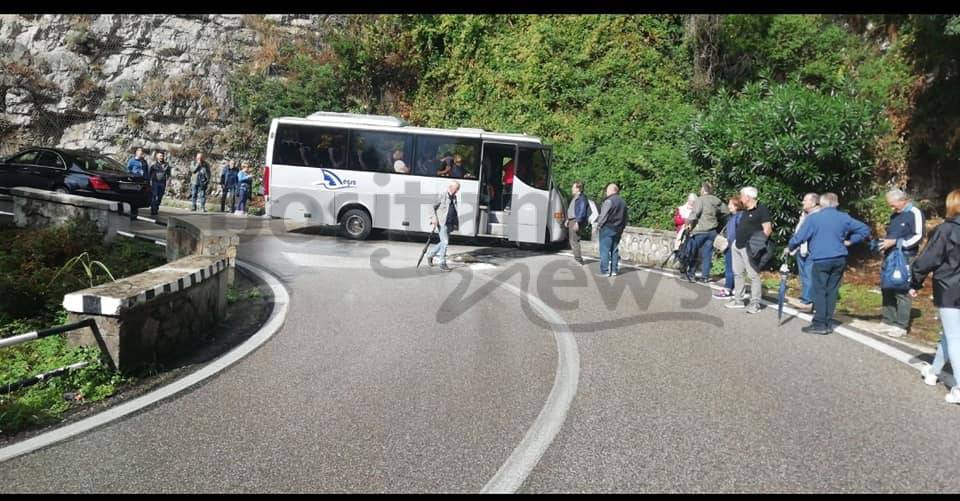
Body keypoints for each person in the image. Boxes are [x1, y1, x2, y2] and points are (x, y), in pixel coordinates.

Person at [787, 192, 871, 334]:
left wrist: (790, 247)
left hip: (821, 258)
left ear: (821, 203)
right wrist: (850, 241)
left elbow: (800, 237)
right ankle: (827, 321)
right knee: (832, 291)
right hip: (839, 258)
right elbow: (864, 229)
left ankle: (819, 324)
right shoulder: (844, 217)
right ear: (836, 203)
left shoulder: (814, 218)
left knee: (819, 290)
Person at [910, 189, 960, 404]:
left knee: (955, 336)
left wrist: (915, 281)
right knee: (949, 334)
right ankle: (934, 371)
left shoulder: (946, 229)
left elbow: (929, 259)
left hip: (950, 287)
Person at [878, 188, 925, 338]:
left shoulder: (915, 213)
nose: (892, 208)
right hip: (889, 255)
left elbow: (919, 236)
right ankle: (887, 319)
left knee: (902, 289)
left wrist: (897, 243)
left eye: (893, 205)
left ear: (903, 200)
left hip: (905, 256)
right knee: (887, 286)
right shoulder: (894, 215)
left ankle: (901, 325)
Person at [725, 186, 772, 314]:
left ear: (748, 197)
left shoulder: (762, 209)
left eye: (741, 195)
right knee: (738, 273)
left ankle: (755, 303)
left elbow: (767, 229)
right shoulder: (745, 210)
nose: (740, 198)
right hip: (738, 245)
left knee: (753, 275)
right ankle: (738, 300)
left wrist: (757, 246)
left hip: (750, 247)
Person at [684, 182, 728, 283]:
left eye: (701, 189)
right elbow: (726, 212)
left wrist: (688, 223)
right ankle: (705, 276)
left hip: (700, 231)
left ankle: (691, 274)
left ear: (703, 190)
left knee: (693, 252)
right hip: (712, 232)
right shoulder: (716, 200)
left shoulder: (700, 200)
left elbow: (695, 213)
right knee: (707, 254)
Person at [787, 193, 821, 311]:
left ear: (813, 203)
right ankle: (806, 298)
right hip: (801, 248)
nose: (802, 202)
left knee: (809, 274)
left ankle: (808, 301)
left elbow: (805, 233)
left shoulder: (818, 215)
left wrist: (791, 245)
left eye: (805, 200)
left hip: (812, 250)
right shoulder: (805, 214)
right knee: (804, 275)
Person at [425, 181, 461, 272]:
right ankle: (442, 263)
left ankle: (430, 255)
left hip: (449, 223)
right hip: (442, 223)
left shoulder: (454, 197)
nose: (456, 191)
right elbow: (430, 206)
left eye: (457, 189)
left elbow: (454, 210)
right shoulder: (442, 195)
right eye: (456, 189)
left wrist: (456, 223)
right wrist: (433, 218)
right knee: (445, 242)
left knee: (442, 242)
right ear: (450, 187)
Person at [713, 195, 744, 299]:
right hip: (731, 245)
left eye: (730, 204)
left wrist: (732, 242)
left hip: (733, 246)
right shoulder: (734, 216)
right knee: (732, 268)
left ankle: (728, 289)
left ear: (736, 206)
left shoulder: (739, 217)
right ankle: (733, 288)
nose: (728, 206)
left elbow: (738, 232)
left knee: (730, 268)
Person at [596, 183, 628, 277]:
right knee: (614, 250)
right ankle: (614, 270)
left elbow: (603, 215)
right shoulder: (623, 202)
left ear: (611, 190)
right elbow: (626, 217)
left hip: (608, 228)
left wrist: (599, 225)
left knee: (604, 249)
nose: (606, 192)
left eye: (607, 190)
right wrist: (622, 227)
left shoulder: (609, 201)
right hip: (618, 229)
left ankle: (605, 271)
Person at [566, 181, 590, 265]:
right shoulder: (575, 197)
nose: (572, 189)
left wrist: (577, 222)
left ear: (578, 188)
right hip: (572, 220)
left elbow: (582, 211)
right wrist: (568, 219)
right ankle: (577, 258)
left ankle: (578, 260)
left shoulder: (581, 198)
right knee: (572, 240)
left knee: (574, 240)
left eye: (573, 187)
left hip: (575, 221)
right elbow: (571, 210)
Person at [147, 151, 171, 217]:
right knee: (154, 196)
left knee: (160, 197)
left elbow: (169, 175)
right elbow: (149, 174)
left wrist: (169, 182)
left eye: (162, 156)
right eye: (160, 156)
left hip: (163, 183)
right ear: (157, 157)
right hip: (155, 182)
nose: (161, 157)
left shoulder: (166, 165)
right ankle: (153, 209)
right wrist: (149, 182)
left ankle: (156, 207)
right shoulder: (153, 165)